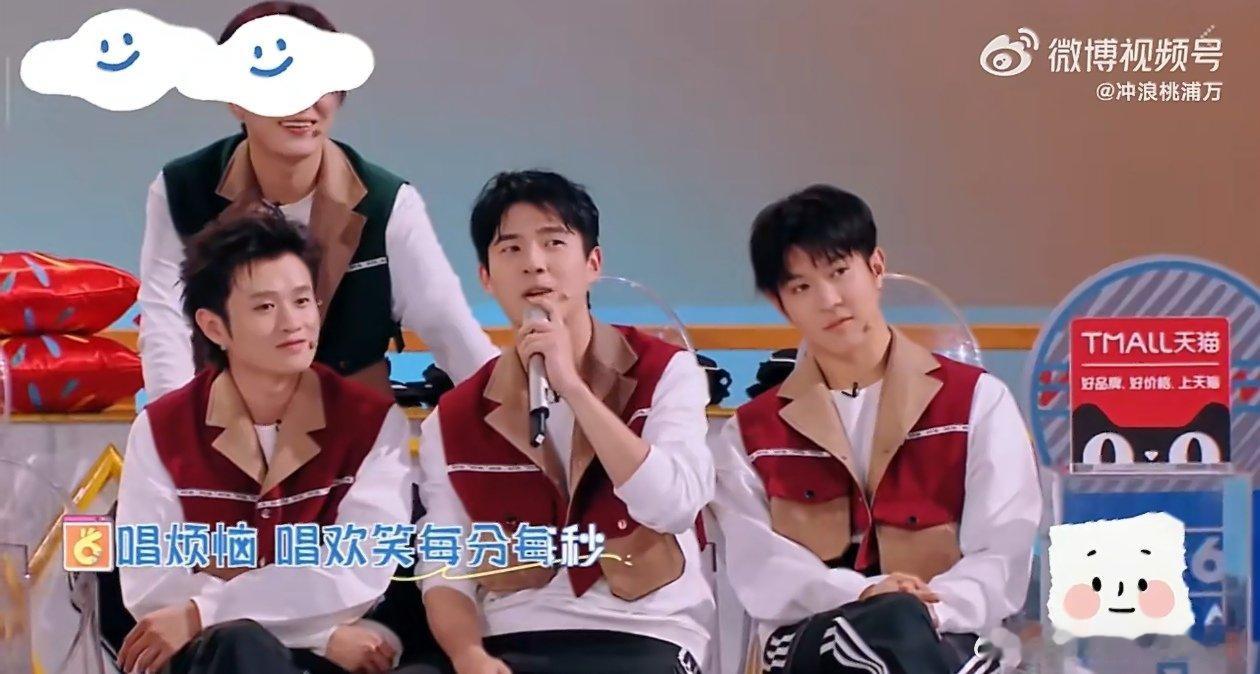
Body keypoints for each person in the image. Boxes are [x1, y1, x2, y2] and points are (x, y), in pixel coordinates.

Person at [710, 185, 1041, 674]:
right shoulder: (750, 433)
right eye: (801, 288)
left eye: (839, 272)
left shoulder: (976, 401)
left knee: (905, 633)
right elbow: (761, 567)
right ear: (781, 305)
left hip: (954, 631)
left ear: (877, 267)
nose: (829, 300)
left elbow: (1001, 552)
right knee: (886, 633)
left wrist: (928, 609)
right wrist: (868, 594)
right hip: (815, 635)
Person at [404, 170, 714, 673]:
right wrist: (467, 654)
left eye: (553, 242)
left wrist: (573, 388)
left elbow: (673, 505)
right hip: (511, 636)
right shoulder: (455, 416)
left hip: (642, 632)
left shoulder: (665, 372)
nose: (534, 263)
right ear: (486, 278)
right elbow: (445, 565)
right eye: (511, 249)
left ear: (593, 263)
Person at [138, 1, 495, 401]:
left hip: (355, 420)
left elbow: (448, 325)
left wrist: (519, 409)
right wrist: (174, 426)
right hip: (225, 417)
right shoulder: (182, 189)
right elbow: (166, 321)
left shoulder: (387, 202)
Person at [116, 211, 411, 674]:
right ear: (214, 327)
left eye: (302, 301)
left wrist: (203, 609)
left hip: (327, 657)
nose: (293, 323)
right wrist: (319, 633)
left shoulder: (372, 422)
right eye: (265, 308)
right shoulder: (161, 428)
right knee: (240, 644)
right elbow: (151, 587)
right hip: (214, 656)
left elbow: (359, 572)